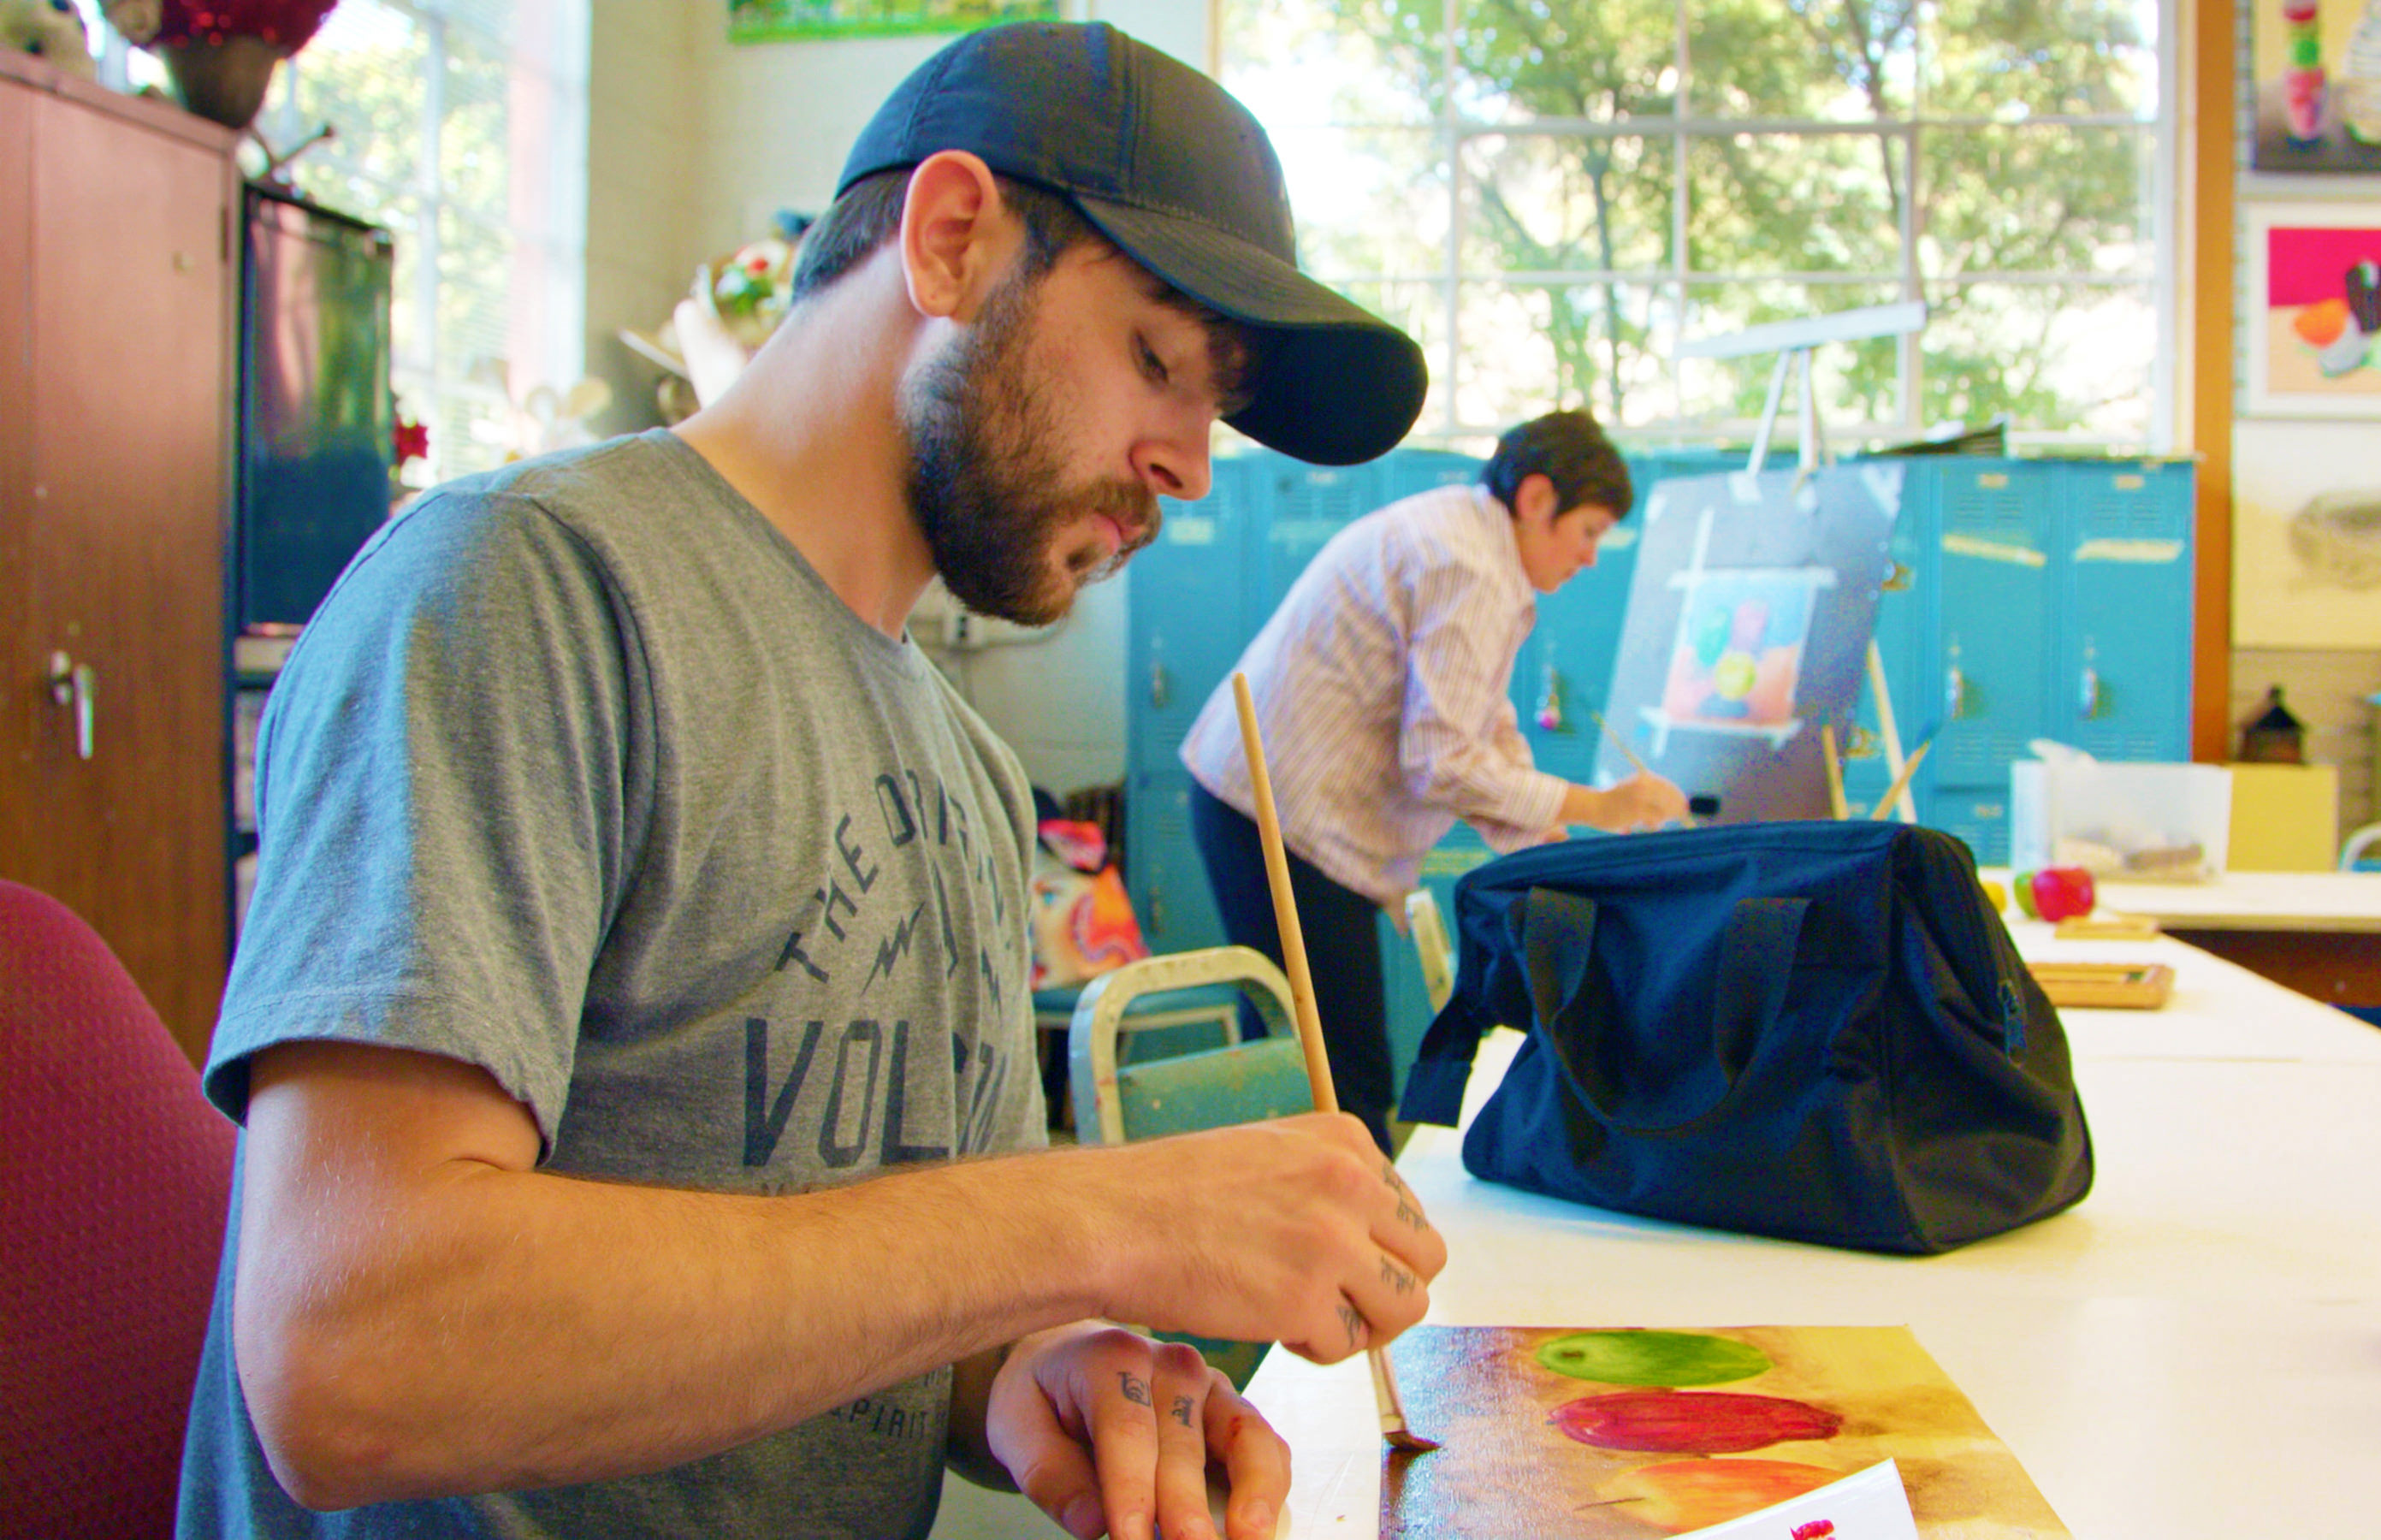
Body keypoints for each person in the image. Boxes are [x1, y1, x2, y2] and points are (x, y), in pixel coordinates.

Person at [178, 22, 1447, 1540]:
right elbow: (348, 1356)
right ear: (953, 237)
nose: (1189, 465)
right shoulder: (527, 592)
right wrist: (1105, 1217)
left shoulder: (967, 773)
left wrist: (1029, 1371)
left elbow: (913, 1275)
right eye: (1159, 359)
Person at [1181, 411, 1689, 1152]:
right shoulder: (1470, 565)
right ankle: (1347, 1259)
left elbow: (1479, 714)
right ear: (1540, 500)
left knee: (1327, 1065)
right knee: (1336, 1081)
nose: (1590, 557)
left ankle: (1327, 1243)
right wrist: (1598, 806)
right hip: (1276, 815)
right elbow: (1443, 760)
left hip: (1269, 806)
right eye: (1589, 531)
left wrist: (1533, 827)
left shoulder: (1472, 539)